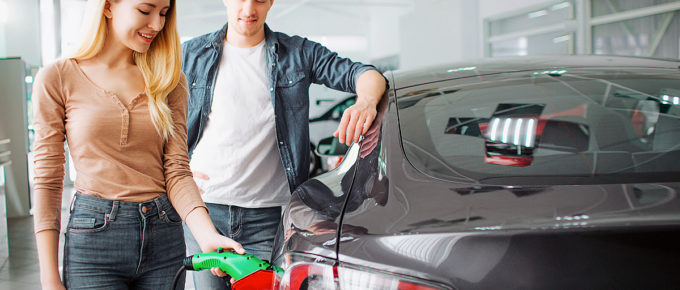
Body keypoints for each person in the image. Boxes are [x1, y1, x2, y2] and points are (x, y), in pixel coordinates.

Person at [31, 0, 245, 289]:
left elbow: (177, 171)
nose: (157, 24)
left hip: (164, 235)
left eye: (163, 14)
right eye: (145, 11)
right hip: (94, 240)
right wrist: (49, 277)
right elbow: (47, 180)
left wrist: (207, 235)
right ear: (107, 7)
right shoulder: (58, 78)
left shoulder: (170, 81)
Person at [181, 0, 387, 288]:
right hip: (204, 212)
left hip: (265, 218)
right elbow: (150, 116)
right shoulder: (190, 55)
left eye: (260, 0)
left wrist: (365, 101)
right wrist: (178, 172)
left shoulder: (298, 53)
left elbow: (365, 74)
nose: (249, 9)